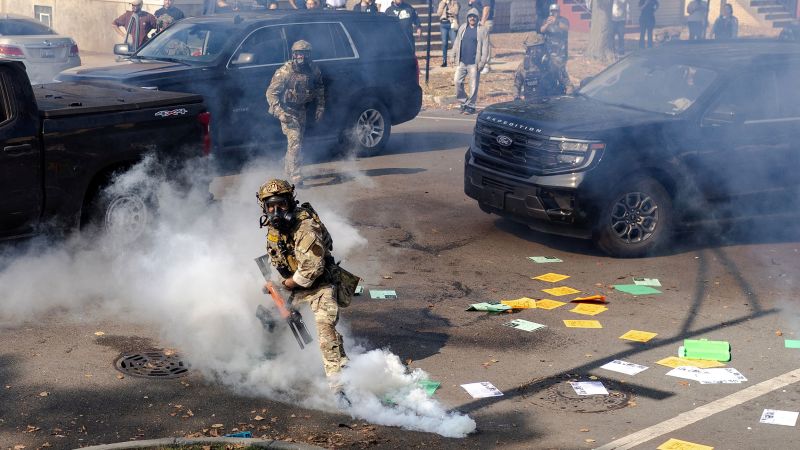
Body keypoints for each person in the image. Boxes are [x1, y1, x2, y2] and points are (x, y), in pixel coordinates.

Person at [256, 179, 350, 391]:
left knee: (326, 333)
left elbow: (311, 269)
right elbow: (280, 257)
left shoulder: (306, 227)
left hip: (320, 285)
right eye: (271, 206)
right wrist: (275, 286)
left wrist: (285, 284)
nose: (276, 211)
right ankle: (275, 363)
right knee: (272, 319)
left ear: (290, 203)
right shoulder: (273, 227)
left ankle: (341, 388)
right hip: (295, 286)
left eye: (281, 204)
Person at [266, 40, 325, 184]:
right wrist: (280, 112)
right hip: (287, 112)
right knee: (295, 142)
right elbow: (270, 93)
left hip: (301, 111)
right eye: (299, 54)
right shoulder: (285, 72)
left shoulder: (313, 70)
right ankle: (296, 176)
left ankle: (288, 170)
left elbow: (319, 88)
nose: (302, 57)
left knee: (296, 143)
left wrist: (320, 107)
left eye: (306, 54)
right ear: (294, 54)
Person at [452, 8, 489, 115]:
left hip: (474, 63)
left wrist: (482, 62)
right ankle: (464, 101)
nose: (472, 18)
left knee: (473, 85)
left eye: (474, 16)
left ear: (477, 18)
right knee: (457, 81)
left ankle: (471, 106)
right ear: (467, 17)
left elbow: (485, 48)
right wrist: (452, 55)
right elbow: (457, 42)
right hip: (462, 61)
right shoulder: (463, 27)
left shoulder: (483, 30)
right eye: (470, 16)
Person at [513, 32, 569, 101]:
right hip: (531, 105)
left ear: (544, 48)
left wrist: (567, 100)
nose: (535, 52)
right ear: (528, 50)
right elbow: (516, 85)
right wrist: (516, 98)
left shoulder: (553, 63)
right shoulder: (524, 66)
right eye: (532, 48)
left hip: (552, 105)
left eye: (538, 48)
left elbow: (568, 84)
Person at [437, 0, 460, 67]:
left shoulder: (455, 2)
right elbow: (438, 13)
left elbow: (456, 12)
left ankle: (456, 59)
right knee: (444, 43)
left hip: (452, 24)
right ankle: (444, 61)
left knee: (454, 42)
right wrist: (443, 4)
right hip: (443, 24)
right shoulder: (442, 2)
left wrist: (449, 4)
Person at [479, 0, 495, 74]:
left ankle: (486, 66)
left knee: (485, 44)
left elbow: (487, 7)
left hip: (485, 21)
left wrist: (482, 21)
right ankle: (483, 64)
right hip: (479, 20)